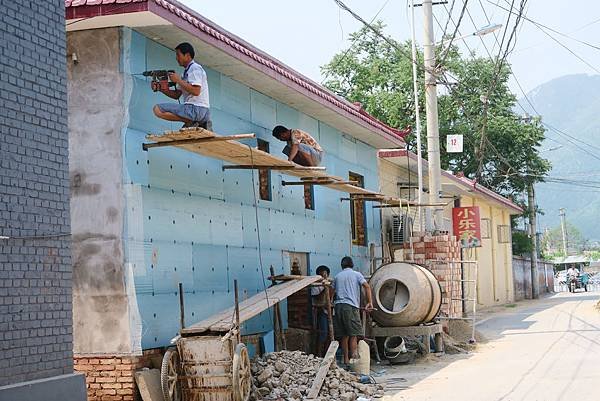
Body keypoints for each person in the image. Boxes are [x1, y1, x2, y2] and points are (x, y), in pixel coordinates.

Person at [152, 42, 211, 129]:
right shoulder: (186, 72)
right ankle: (191, 121)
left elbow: (196, 91)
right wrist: (160, 88)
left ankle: (190, 121)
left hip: (196, 109)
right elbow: (176, 95)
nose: (176, 58)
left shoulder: (195, 68)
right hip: (199, 111)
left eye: (178, 55)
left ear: (187, 55)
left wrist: (178, 80)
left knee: (157, 109)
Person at [332, 256, 373, 366]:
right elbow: (367, 287)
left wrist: (332, 304)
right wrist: (369, 302)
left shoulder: (337, 277)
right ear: (352, 265)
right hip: (350, 307)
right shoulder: (356, 274)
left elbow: (332, 292)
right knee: (353, 334)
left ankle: (346, 360)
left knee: (344, 335)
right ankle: (354, 360)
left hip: (338, 306)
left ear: (342, 266)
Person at [311, 265, 331, 357]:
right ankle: (319, 355)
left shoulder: (329, 283)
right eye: (322, 275)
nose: (324, 276)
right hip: (321, 311)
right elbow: (317, 297)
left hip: (329, 311)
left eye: (326, 274)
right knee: (323, 334)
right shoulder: (316, 285)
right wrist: (325, 288)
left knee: (329, 336)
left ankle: (326, 354)